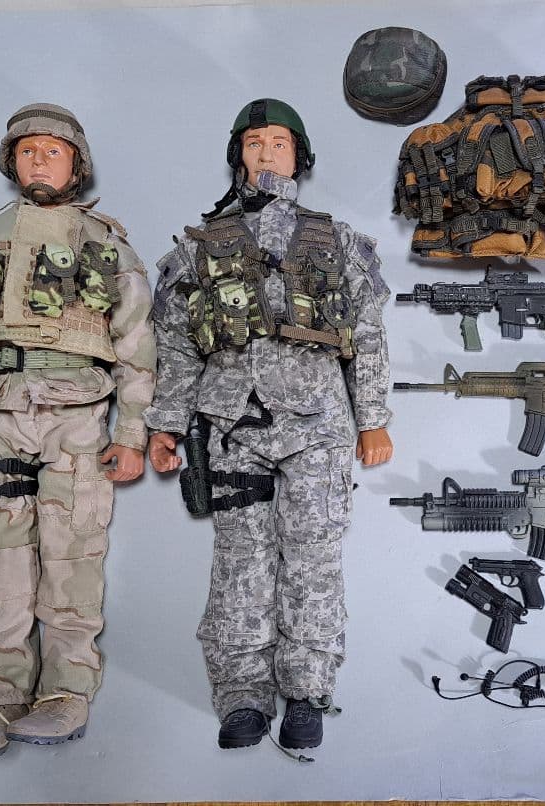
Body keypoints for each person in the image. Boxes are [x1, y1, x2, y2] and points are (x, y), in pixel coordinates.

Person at [145, 98, 393, 752]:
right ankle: (242, 695)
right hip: (233, 424)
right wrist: (166, 425)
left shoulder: (337, 241)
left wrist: (373, 419)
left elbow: (368, 337)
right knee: (240, 560)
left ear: (298, 157)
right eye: (254, 143)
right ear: (237, 156)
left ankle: (307, 690)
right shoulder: (199, 247)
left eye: (278, 143)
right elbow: (176, 345)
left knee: (313, 556)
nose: (265, 154)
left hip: (318, 423)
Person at [0, 103, 156, 758]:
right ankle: (1, 699)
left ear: (75, 165)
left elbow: (137, 341)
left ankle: (65, 693)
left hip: (77, 415)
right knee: (1, 562)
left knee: (72, 555)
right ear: (11, 161)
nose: (39, 160)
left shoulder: (105, 241)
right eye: (27, 150)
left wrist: (132, 433)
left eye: (53, 152)